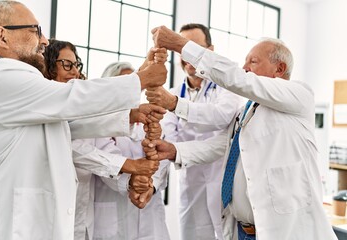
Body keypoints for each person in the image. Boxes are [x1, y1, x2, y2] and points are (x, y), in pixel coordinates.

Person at [0, 1, 166, 240]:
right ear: (2, 36)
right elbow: (71, 97)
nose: (44, 41)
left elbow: (63, 126)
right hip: (12, 224)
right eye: (35, 31)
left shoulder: (18, 87)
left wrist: (129, 115)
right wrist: (140, 79)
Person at [143, 26, 338, 239]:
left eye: (252, 61)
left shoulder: (300, 95)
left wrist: (179, 45)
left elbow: (240, 80)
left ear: (279, 69)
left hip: (285, 231)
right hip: (242, 230)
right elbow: (221, 145)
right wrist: (174, 151)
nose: (244, 67)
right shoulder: (246, 111)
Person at [43, 40, 166, 240]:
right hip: (52, 211)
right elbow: (76, 147)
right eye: (67, 64)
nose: (74, 71)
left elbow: (162, 157)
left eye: (76, 65)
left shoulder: (90, 114)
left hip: (84, 216)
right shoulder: (43, 108)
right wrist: (132, 167)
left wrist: (145, 182)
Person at [145, 23, 242, 240]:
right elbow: (166, 142)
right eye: (181, 48)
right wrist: (153, 185)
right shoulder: (172, 94)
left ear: (211, 50)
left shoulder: (226, 87)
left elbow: (221, 116)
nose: (187, 54)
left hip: (224, 182)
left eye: (193, 48)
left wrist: (176, 104)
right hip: (190, 184)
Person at [92, 61, 170, 240]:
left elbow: (162, 160)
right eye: (123, 84)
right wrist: (133, 183)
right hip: (111, 218)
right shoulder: (99, 123)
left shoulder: (151, 122)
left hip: (151, 220)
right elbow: (105, 160)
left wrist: (151, 186)